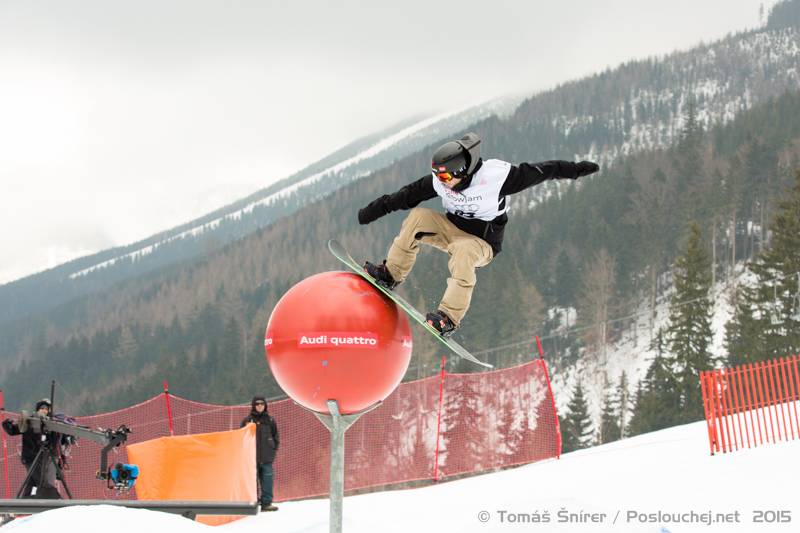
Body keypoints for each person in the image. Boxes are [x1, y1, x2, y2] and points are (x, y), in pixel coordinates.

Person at [358, 133, 600, 336]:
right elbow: (405, 196)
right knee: (418, 217)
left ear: (463, 172)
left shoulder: (496, 178)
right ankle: (391, 274)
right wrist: (372, 211)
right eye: (436, 175)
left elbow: (545, 171)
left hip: (482, 244)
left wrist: (577, 170)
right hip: (451, 231)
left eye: (445, 176)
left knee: (463, 252)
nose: (440, 181)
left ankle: (449, 317)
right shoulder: (439, 181)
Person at [1, 398, 62, 498]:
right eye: (42, 409)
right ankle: (47, 499)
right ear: (37, 410)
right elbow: (13, 431)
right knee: (42, 481)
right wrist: (7, 424)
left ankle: (24, 501)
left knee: (32, 482)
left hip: (43, 458)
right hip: (30, 458)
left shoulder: (49, 425)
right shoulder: (29, 423)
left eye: (46, 409)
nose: (44, 411)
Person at [241, 396, 280, 512]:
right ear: (253, 405)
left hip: (267, 459)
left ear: (265, 405)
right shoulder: (247, 421)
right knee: (252, 483)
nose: (259, 406)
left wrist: (274, 450)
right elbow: (241, 438)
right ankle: (254, 504)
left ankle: (266, 504)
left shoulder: (270, 421)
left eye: (261, 404)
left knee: (267, 483)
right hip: (252, 459)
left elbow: (276, 437)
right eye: (257, 404)